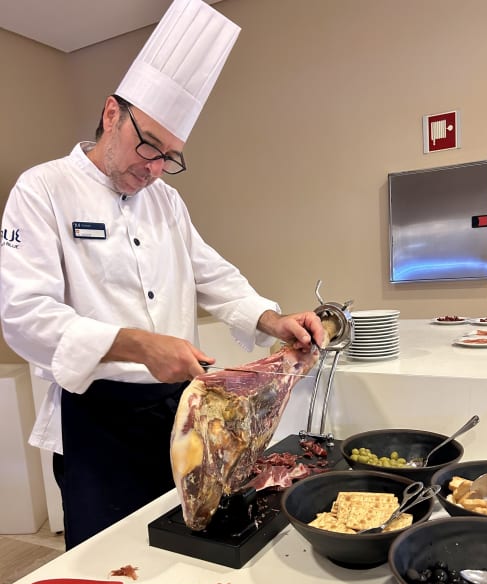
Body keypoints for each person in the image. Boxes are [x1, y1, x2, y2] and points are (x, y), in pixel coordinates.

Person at [0, 0, 324, 550]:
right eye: (148, 145)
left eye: (169, 156)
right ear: (111, 114)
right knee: (109, 560)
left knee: (185, 544)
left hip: (180, 412)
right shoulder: (43, 189)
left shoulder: (167, 201)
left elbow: (211, 272)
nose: (153, 168)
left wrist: (272, 319)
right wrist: (137, 345)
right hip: (97, 418)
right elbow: (24, 316)